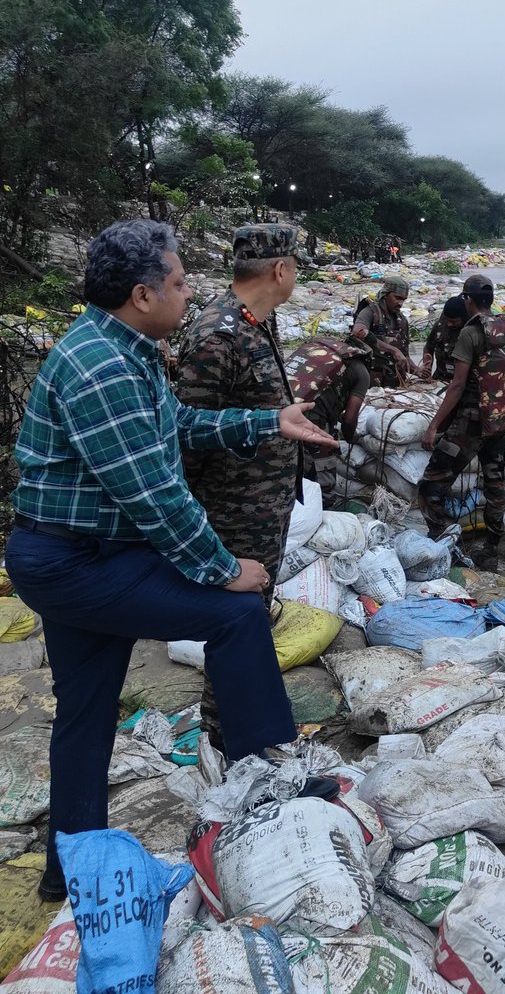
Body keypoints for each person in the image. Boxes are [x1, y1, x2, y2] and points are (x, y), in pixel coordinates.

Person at [4, 220, 337, 901]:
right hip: (77, 562)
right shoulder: (99, 366)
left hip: (81, 555)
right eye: (181, 283)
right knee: (238, 613)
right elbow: (155, 495)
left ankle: (68, 873)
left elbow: (178, 427)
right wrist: (223, 568)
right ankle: (263, 779)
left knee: (86, 713)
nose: (191, 295)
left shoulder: (127, 349)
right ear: (142, 294)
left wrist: (267, 421)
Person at [175, 223, 306, 750]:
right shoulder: (219, 333)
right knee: (237, 620)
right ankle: (229, 733)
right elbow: (187, 431)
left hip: (260, 503)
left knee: (251, 617)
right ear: (280, 270)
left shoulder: (255, 322)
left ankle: (235, 719)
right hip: (232, 508)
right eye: (295, 267)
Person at [418, 273, 505, 571]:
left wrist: (433, 426)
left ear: (467, 300)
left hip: (470, 423)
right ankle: (491, 549)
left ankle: (442, 542)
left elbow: (456, 386)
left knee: (431, 483)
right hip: (499, 421)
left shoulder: (471, 332)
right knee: (496, 485)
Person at [283, 335, 372, 503]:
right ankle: (325, 510)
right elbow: (349, 419)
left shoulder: (320, 350)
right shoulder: (361, 370)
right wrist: (349, 438)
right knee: (322, 469)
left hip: (282, 409)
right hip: (312, 417)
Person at [351, 276, 415, 387]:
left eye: (403, 300)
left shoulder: (402, 321)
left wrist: (417, 370)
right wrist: (393, 350)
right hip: (370, 381)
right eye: (397, 298)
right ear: (385, 294)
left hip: (394, 381)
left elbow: (404, 356)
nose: (400, 303)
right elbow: (358, 332)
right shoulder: (370, 312)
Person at [421, 295, 467, 381]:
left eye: (454, 322)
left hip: (461, 382)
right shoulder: (439, 327)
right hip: (440, 378)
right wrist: (427, 367)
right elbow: (428, 347)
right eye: (447, 320)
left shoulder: (470, 332)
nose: (449, 324)